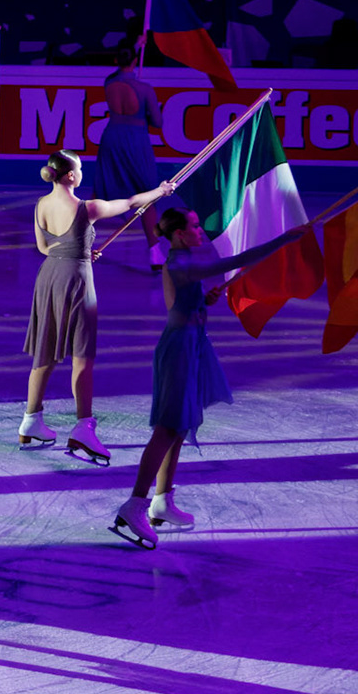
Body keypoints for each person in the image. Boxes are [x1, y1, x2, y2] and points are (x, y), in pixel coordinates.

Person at [111, 212, 307, 549]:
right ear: (179, 234)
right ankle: (135, 504)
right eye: (194, 226)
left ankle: (161, 500)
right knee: (167, 429)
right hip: (179, 350)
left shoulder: (182, 261)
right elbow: (239, 260)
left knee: (179, 427)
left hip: (190, 345)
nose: (200, 230)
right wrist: (285, 239)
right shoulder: (182, 263)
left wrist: (202, 301)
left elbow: (180, 302)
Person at [22, 151, 173, 461]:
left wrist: (77, 249)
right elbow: (130, 203)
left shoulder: (40, 205)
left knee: (45, 351)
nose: (81, 173)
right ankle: (83, 428)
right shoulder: (86, 208)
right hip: (76, 281)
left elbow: (44, 247)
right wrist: (160, 191)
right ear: (71, 176)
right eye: (79, 169)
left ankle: (30, 421)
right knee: (82, 356)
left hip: (49, 277)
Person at [88, 49, 169, 267]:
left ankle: (76, 238)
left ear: (117, 60)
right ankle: (154, 251)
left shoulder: (109, 83)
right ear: (135, 61)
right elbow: (158, 123)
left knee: (101, 190)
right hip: (135, 140)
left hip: (112, 136)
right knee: (148, 192)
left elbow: (116, 73)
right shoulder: (144, 88)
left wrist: (134, 47)